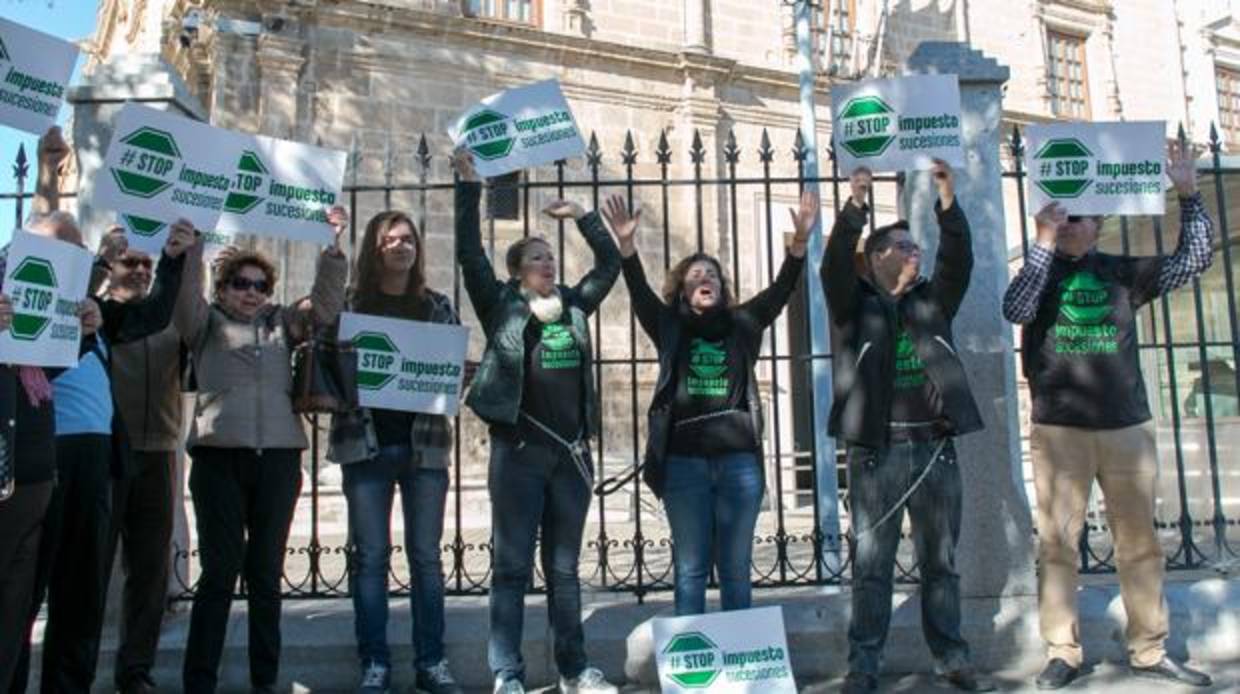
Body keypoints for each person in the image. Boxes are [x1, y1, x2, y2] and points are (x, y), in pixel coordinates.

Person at [1003, 140, 1214, 690]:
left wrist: (1188, 194)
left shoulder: (1122, 272)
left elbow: (1195, 259)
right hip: (1060, 428)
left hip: (1125, 426)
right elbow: (1016, 308)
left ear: (1099, 225)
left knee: (1139, 544)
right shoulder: (1040, 272)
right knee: (1057, 544)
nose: (1072, 224)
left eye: (1082, 218)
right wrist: (1043, 244)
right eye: (1064, 216)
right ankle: (1063, 651)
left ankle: (1149, 649)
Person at [11, 126, 195, 694]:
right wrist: (47, 177)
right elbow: (38, 246)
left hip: (99, 462)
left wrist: (171, 260)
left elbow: (158, 314)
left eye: (75, 249)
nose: (66, 257)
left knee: (82, 591)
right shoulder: (18, 303)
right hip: (41, 459)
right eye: (56, 251)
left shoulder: (99, 314)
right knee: (23, 589)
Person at [453, 149, 620, 694]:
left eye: (551, 258)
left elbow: (610, 266)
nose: (549, 265)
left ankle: (573, 670)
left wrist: (585, 219)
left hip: (570, 456)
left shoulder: (573, 307)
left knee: (566, 570)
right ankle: (508, 673)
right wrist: (470, 188)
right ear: (516, 272)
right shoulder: (500, 305)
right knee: (511, 568)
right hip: (519, 453)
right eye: (537, 259)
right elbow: (468, 253)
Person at [824, 162, 993, 694]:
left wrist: (948, 202)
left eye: (915, 246)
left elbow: (958, 263)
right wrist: (855, 207)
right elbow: (832, 267)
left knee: (939, 564)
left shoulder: (931, 301)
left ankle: (952, 658)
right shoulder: (855, 304)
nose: (913, 251)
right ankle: (864, 666)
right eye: (902, 246)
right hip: (876, 454)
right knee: (872, 567)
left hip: (934, 450)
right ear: (876, 259)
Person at [613, 191, 818, 615]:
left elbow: (781, 290)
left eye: (712, 274)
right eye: (694, 274)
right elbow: (638, 291)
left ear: (722, 287)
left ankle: (740, 666)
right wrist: (627, 248)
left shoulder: (743, 323)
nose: (704, 277)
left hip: (738, 463)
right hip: (683, 463)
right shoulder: (669, 325)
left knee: (736, 568)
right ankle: (696, 671)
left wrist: (798, 244)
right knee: (690, 568)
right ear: (683, 289)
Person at [175, 210, 348, 694]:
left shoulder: (282, 324)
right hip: (217, 460)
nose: (250, 292)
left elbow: (327, 308)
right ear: (222, 287)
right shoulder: (204, 325)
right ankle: (199, 682)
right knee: (219, 574)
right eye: (239, 283)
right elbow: (184, 304)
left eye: (259, 285)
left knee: (266, 576)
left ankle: (264, 681)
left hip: (277, 459)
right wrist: (191, 252)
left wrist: (332, 248)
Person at [327, 210, 463, 694]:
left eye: (408, 239)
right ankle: (375, 662)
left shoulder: (437, 306)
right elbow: (327, 363)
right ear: (375, 248)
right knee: (371, 558)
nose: (401, 246)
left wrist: (455, 374)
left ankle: (432, 662)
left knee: (426, 557)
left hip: (424, 449)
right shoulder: (351, 306)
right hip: (365, 447)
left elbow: (451, 370)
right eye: (390, 240)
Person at [0, 131, 103, 691]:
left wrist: (81, 336)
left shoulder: (61, 318)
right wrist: (47, 176)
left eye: (71, 257)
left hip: (36, 477)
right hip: (6, 476)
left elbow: (43, 372)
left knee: (18, 614)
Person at [101, 222, 192, 694]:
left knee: (150, 569)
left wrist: (181, 258)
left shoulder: (165, 322)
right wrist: (97, 258)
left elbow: (175, 315)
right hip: (106, 457)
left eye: (145, 264)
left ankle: (135, 670)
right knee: (93, 563)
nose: (139, 270)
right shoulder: (99, 317)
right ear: (111, 267)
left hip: (157, 453)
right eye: (130, 262)